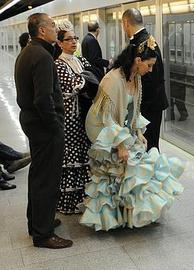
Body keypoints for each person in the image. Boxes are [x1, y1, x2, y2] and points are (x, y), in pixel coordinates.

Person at [79, 36, 184, 231]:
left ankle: (126, 214)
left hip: (117, 125)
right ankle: (113, 216)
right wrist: (120, 145)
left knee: (133, 160)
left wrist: (137, 131)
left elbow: (132, 109)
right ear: (138, 61)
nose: (150, 70)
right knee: (118, 166)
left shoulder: (135, 77)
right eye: (149, 65)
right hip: (101, 127)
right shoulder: (112, 80)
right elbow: (106, 116)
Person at [14, 13, 72, 249]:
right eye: (51, 25)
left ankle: (37, 222)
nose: (54, 27)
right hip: (44, 126)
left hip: (32, 122)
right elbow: (43, 99)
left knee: (38, 175)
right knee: (47, 179)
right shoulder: (42, 56)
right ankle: (43, 234)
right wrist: (56, 127)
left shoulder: (28, 52)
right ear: (41, 31)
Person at [54, 22, 92, 214]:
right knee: (71, 159)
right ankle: (67, 203)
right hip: (69, 118)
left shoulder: (80, 60)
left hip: (82, 116)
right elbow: (75, 85)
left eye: (75, 38)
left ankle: (82, 198)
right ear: (60, 43)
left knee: (82, 155)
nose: (74, 42)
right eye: (69, 39)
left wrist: (86, 80)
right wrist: (86, 80)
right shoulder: (59, 64)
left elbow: (90, 77)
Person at [122, 8, 168, 151]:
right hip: (150, 104)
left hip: (148, 106)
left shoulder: (144, 44)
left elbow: (150, 79)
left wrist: (136, 109)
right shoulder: (143, 40)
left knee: (148, 148)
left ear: (126, 23)